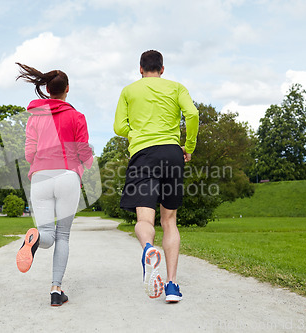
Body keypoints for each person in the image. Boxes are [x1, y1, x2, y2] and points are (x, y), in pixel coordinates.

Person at [114, 50, 199, 303]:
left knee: (144, 218)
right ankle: (172, 286)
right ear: (162, 69)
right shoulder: (176, 87)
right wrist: (189, 147)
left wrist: (137, 133)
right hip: (173, 153)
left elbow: (119, 127)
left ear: (140, 69)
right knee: (170, 221)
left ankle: (149, 249)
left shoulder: (129, 91)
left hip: (143, 155)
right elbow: (192, 115)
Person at [15, 63, 93, 306]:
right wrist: (87, 165)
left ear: (47, 90)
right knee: (64, 236)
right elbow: (82, 151)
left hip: (40, 177)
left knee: (47, 234)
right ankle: (56, 291)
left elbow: (29, 153)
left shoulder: (35, 118)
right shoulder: (77, 116)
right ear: (67, 89)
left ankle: (35, 239)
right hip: (67, 176)